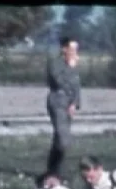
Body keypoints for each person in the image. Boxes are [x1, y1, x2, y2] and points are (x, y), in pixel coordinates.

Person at [45, 35, 81, 178]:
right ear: (64, 49)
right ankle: (55, 170)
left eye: (76, 49)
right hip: (58, 101)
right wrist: (71, 68)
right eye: (72, 49)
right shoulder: (56, 63)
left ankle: (54, 171)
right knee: (63, 139)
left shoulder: (73, 65)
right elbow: (59, 81)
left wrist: (75, 103)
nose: (74, 52)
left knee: (59, 139)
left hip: (68, 103)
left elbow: (76, 85)